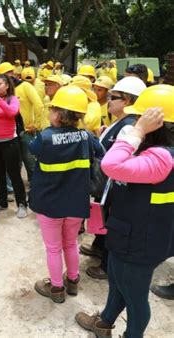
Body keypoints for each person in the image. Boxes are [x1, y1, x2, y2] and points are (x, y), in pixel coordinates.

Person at [76, 84, 174, 338]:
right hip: (127, 229)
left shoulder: (162, 157)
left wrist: (137, 132)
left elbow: (111, 164)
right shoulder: (149, 150)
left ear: (158, 125)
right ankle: (105, 322)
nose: (135, 121)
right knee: (118, 282)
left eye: (141, 118)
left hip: (142, 239)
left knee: (135, 297)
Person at [30, 86, 102, 303]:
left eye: (52, 108)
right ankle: (72, 282)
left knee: (53, 247)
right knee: (70, 243)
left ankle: (56, 288)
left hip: (49, 203)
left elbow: (33, 151)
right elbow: (102, 154)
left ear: (58, 114)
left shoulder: (45, 137)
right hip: (76, 201)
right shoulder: (86, 136)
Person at [80, 76, 146, 280]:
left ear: (126, 101)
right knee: (103, 216)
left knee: (110, 221)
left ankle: (106, 266)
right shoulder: (122, 123)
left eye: (113, 97)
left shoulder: (128, 126)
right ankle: (99, 247)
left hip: (115, 185)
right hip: (109, 182)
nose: (108, 100)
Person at [0, 74, 28, 218]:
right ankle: (1, 202)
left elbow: (12, 112)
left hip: (10, 143)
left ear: (7, 86)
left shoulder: (12, 99)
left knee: (14, 174)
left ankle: (22, 204)